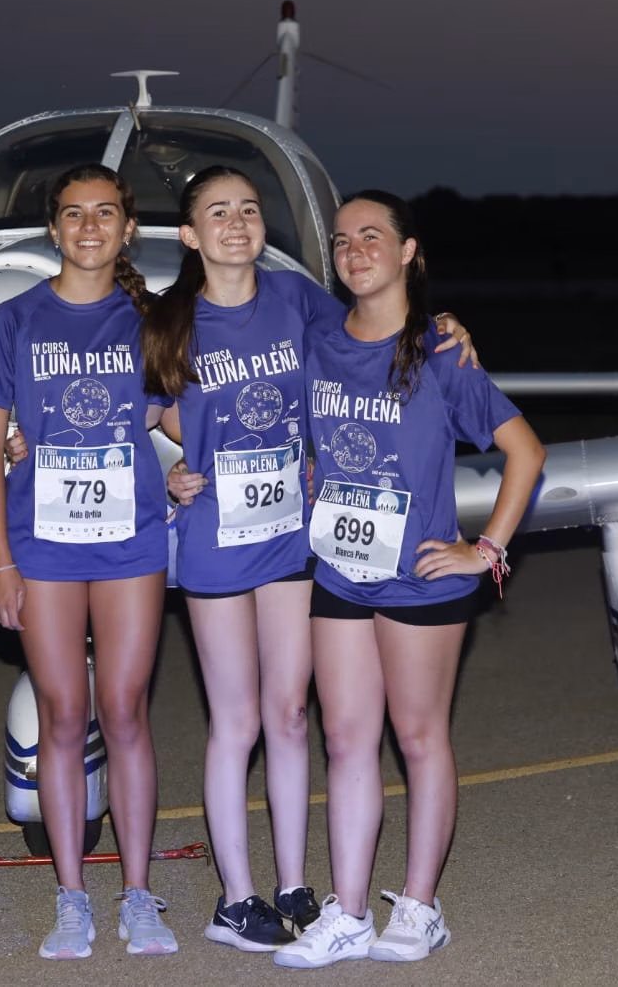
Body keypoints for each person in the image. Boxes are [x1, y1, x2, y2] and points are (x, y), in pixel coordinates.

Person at [144, 167, 480, 952]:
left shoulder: (298, 301)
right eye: (217, 214)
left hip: (299, 538)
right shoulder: (167, 322)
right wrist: (171, 463)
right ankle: (237, 899)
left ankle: (296, 885)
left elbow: (379, 328)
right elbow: (142, 408)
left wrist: (448, 327)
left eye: (249, 211)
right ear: (190, 235)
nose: (237, 224)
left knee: (293, 714)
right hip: (218, 542)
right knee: (236, 720)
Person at [272, 190, 546, 968]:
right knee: (346, 738)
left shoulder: (441, 352)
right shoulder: (320, 341)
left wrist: (487, 549)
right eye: (343, 239)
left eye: (372, 236)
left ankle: (421, 906)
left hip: (422, 579)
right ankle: (349, 912)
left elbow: (526, 453)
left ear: (406, 251)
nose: (355, 248)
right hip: (341, 571)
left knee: (419, 738)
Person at [0, 163, 178, 960]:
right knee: (61, 714)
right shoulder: (12, 322)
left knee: (124, 711)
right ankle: (71, 897)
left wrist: (217, 459)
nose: (90, 227)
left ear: (127, 229)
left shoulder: (152, 321)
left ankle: (139, 895)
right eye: (74, 214)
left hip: (130, 545)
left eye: (106, 213)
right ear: (53, 230)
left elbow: (185, 416)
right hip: (43, 548)